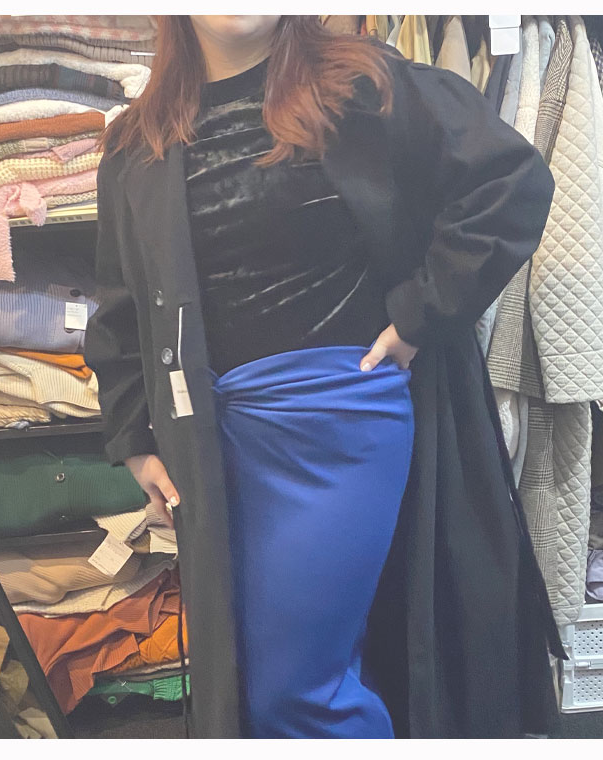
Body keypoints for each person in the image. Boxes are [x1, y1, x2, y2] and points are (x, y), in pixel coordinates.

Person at [85, 15, 562, 739]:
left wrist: (417, 317)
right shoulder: (135, 146)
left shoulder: (360, 84)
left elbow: (510, 180)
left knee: (295, 691)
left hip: (338, 422)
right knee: (251, 676)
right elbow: (122, 304)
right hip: (212, 441)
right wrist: (133, 439)